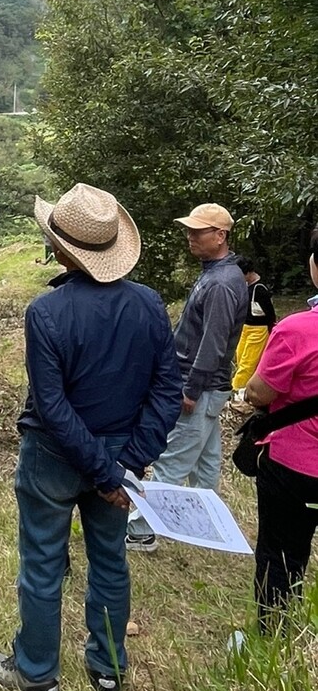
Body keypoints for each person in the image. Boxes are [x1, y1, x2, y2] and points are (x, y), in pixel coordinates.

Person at [0, 183, 181, 691]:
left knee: (44, 565)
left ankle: (37, 678)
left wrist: (104, 469)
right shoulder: (149, 305)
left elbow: (52, 406)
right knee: (111, 561)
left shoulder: (46, 313)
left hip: (55, 457)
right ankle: (109, 670)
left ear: (61, 248)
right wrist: (126, 466)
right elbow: (167, 390)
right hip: (121, 457)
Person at [127, 202, 247, 552]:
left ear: (220, 235)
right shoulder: (216, 273)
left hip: (201, 386)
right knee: (206, 462)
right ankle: (204, 525)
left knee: (172, 460)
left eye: (198, 231)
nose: (190, 236)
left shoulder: (222, 282)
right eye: (190, 230)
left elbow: (213, 341)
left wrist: (190, 389)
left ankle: (140, 530)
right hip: (209, 386)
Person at [245, 226, 318, 629]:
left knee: (281, 553)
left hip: (296, 466)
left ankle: (274, 635)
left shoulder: (296, 330)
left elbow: (259, 392)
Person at [232, 257, 277, 392]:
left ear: (248, 273)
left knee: (248, 363)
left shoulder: (260, 289)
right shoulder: (245, 286)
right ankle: (245, 388)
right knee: (241, 359)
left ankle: (234, 389)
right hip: (244, 327)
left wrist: (272, 329)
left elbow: (270, 313)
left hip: (258, 329)